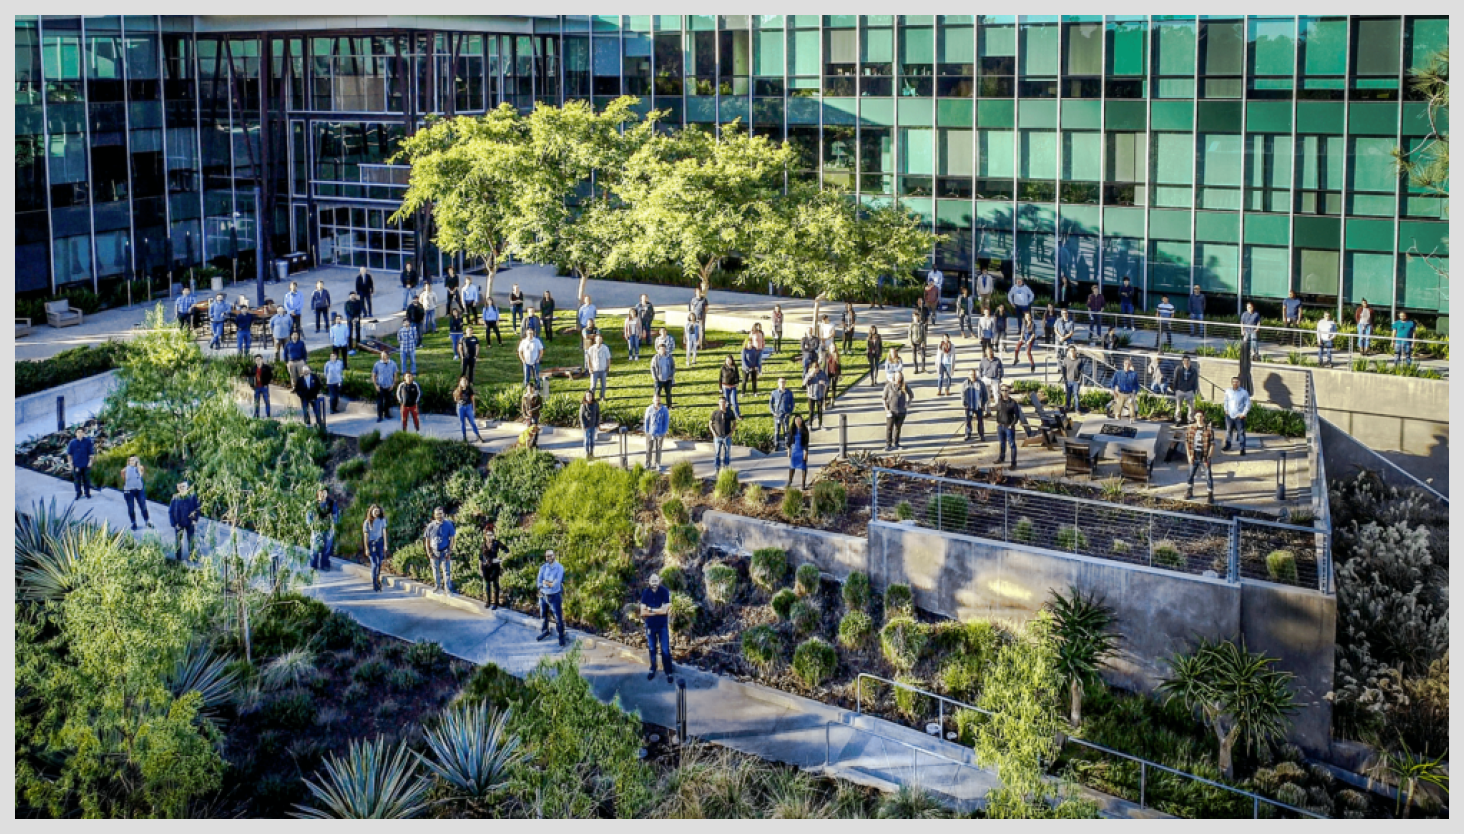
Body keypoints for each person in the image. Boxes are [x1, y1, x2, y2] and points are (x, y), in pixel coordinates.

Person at [640, 573, 675, 682]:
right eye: (652, 581)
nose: (654, 583)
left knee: (665, 649)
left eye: (656, 581)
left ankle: (668, 672)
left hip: (662, 626)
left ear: (659, 581)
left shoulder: (664, 591)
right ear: (649, 582)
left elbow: (665, 610)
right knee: (652, 648)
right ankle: (653, 668)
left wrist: (650, 609)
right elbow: (642, 612)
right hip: (650, 625)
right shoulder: (645, 593)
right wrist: (658, 611)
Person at [993, 385, 1032, 470]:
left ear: (1009, 391)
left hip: (1009, 427)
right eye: (1002, 390)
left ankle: (1013, 463)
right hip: (1000, 426)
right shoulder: (1000, 401)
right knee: (1002, 443)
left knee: (1012, 445)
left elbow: (1017, 416)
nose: (1004, 392)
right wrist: (997, 421)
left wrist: (1012, 424)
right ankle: (1001, 458)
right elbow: (998, 412)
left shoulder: (1013, 403)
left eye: (1006, 390)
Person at [536, 549, 567, 647]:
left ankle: (561, 635)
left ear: (554, 556)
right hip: (543, 595)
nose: (548, 558)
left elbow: (556, 583)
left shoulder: (559, 567)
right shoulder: (543, 567)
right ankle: (545, 631)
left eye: (550, 555)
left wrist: (547, 583)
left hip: (554, 596)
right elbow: (539, 580)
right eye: (547, 556)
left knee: (558, 617)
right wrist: (543, 585)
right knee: (543, 615)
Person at [423, 507, 456, 594]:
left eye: (441, 514)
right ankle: (437, 586)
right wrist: (428, 551)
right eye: (437, 514)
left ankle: (447, 588)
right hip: (434, 552)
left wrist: (449, 550)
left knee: (446, 571)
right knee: (435, 570)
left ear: (443, 514)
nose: (439, 516)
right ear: (434, 515)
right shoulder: (430, 526)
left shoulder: (448, 524)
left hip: (445, 551)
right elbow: (427, 540)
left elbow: (452, 538)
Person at [1184, 412, 1216, 503]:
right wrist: (1189, 456)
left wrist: (1209, 457)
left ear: (1204, 417)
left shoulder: (1209, 429)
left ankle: (1210, 494)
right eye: (1197, 416)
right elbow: (1187, 442)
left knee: (1208, 475)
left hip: (1204, 455)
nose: (1199, 418)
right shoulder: (1190, 428)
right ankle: (1189, 491)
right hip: (1194, 455)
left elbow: (1212, 444)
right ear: (1194, 417)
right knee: (1190, 474)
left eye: (1201, 416)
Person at [169, 481, 200, 562]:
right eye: (180, 487)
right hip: (179, 523)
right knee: (178, 542)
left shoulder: (192, 497)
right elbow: (170, 511)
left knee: (191, 540)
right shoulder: (175, 498)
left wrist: (195, 520)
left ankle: (192, 556)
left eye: (184, 486)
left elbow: (197, 508)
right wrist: (174, 524)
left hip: (190, 523)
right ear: (178, 488)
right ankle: (178, 558)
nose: (182, 488)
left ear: (187, 487)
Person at [307, 488, 338, 570]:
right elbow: (308, 516)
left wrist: (333, 524)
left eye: (324, 492)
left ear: (327, 493)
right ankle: (313, 565)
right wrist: (311, 525)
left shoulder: (331, 503)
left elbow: (335, 515)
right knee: (315, 547)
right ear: (318, 493)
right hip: (317, 529)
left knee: (327, 547)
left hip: (328, 529)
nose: (322, 494)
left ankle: (324, 564)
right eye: (320, 492)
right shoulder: (314, 504)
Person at [882, 372, 913, 451]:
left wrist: (908, 404)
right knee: (889, 428)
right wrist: (887, 410)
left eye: (900, 377)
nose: (899, 378)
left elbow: (911, 395)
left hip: (901, 411)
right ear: (894, 377)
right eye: (897, 376)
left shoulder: (904, 386)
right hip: (891, 411)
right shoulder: (889, 386)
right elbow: (884, 398)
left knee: (898, 428)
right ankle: (888, 444)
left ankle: (896, 443)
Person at [121, 456, 154, 530]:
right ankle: (133, 522)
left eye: (134, 460)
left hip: (139, 489)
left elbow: (141, 473)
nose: (132, 461)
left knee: (143, 505)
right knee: (131, 507)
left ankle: (147, 520)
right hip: (129, 491)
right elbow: (122, 474)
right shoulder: (125, 469)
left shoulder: (140, 468)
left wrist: (138, 464)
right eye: (130, 460)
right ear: (128, 461)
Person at [478, 520, 506, 608]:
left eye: (491, 535)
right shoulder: (483, 545)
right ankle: (488, 601)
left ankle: (495, 603)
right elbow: (480, 557)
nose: (489, 537)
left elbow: (507, 550)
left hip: (494, 566)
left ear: (493, 535)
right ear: (485, 536)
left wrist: (501, 559)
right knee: (487, 585)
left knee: (495, 584)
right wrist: (480, 569)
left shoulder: (496, 543)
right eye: (488, 535)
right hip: (485, 566)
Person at [1222, 376, 1251, 455]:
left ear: (1239, 383)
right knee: (1228, 431)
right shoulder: (1228, 391)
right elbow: (1226, 401)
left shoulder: (1244, 392)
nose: (1235, 383)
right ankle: (1228, 445)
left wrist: (1243, 414)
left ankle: (1242, 449)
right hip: (1229, 415)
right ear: (1231, 383)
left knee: (1241, 433)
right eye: (1234, 382)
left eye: (1237, 382)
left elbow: (1248, 404)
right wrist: (1226, 410)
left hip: (1239, 416)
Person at [363, 504, 388, 592]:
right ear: (371, 511)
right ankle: (375, 584)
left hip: (380, 543)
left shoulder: (382, 520)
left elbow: (384, 532)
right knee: (374, 564)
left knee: (379, 563)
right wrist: (366, 548)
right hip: (371, 544)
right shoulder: (367, 522)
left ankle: (377, 579)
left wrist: (385, 544)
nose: (376, 513)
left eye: (378, 511)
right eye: (375, 511)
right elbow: (365, 536)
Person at [66, 428, 95, 500]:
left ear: (83, 433)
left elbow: (91, 453)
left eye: (81, 432)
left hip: (86, 465)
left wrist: (90, 462)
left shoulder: (88, 441)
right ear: (76, 433)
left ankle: (87, 492)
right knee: (77, 480)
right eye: (78, 432)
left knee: (87, 480)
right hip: (76, 465)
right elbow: (69, 455)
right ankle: (78, 493)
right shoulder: (72, 443)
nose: (80, 433)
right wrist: (70, 464)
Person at [710, 396, 736, 472]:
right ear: (718, 403)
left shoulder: (730, 412)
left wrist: (731, 433)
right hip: (718, 437)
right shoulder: (715, 413)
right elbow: (710, 424)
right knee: (717, 453)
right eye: (721, 402)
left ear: (726, 403)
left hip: (727, 437)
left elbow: (734, 423)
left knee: (727, 453)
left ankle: (726, 467)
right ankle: (717, 468)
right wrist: (714, 433)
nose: (722, 404)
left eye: (724, 402)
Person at [961, 369, 989, 442]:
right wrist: (964, 403)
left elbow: (985, 395)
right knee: (968, 421)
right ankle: (968, 434)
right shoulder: (965, 383)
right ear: (968, 376)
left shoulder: (981, 383)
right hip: (969, 406)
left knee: (980, 421)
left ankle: (981, 435)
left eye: (974, 375)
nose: (972, 376)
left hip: (978, 406)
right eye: (971, 375)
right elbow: (962, 395)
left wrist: (983, 404)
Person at [1172, 354, 1200, 425]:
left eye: (1188, 361)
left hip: (1189, 390)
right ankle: (1177, 419)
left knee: (1191, 407)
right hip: (1180, 390)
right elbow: (1175, 379)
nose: (1186, 362)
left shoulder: (1193, 370)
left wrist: (1194, 390)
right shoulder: (1178, 369)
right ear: (1182, 362)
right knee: (1178, 406)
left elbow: (1195, 381)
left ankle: (1190, 420)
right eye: (1185, 361)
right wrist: (1175, 389)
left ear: (1190, 361)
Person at [454, 377, 484, 442]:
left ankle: (478, 435)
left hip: (468, 407)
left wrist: (474, 409)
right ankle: (464, 437)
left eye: (465, 381)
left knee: (472, 422)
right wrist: (458, 401)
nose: (464, 382)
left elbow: (473, 400)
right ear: (460, 383)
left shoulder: (469, 390)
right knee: (462, 423)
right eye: (463, 381)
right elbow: (455, 398)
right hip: (460, 407)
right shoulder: (458, 390)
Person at [1111, 357, 1141, 424]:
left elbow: (1136, 385)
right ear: (1123, 364)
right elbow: (1112, 382)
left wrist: (1135, 392)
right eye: (1126, 363)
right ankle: (1117, 419)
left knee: (1131, 406)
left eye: (1129, 364)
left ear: (1130, 365)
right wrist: (1114, 390)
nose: (1127, 365)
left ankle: (1132, 419)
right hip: (1120, 393)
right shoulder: (1118, 373)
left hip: (1129, 394)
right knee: (1118, 407)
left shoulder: (1134, 374)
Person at [643, 394, 669, 469]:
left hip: (660, 432)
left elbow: (666, 421)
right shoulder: (649, 409)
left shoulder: (664, 409)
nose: (657, 401)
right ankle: (648, 463)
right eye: (655, 400)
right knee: (649, 448)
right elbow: (647, 420)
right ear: (653, 400)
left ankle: (657, 463)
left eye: (658, 400)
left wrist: (664, 431)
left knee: (659, 448)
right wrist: (647, 431)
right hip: (650, 432)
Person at [769, 377, 795, 451]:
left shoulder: (789, 393)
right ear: (778, 383)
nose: (782, 383)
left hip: (785, 414)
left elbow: (792, 404)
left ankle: (787, 444)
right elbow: (771, 403)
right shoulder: (774, 393)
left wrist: (789, 412)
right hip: (777, 414)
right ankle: (776, 444)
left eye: (783, 382)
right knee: (777, 430)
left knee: (786, 430)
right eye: (780, 382)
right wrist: (773, 412)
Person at [371, 350, 397, 422]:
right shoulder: (377, 364)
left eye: (385, 356)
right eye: (382, 356)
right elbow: (373, 375)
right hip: (380, 386)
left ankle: (387, 414)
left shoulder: (393, 364)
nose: (383, 357)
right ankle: (379, 416)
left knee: (388, 402)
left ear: (388, 356)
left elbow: (395, 375)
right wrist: (376, 385)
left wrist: (393, 384)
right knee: (380, 402)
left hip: (389, 386)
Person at [787, 414, 811, 489]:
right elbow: (789, 441)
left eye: (799, 419)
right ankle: (790, 481)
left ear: (802, 420)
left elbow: (806, 442)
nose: (798, 421)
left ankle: (803, 484)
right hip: (794, 450)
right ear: (794, 421)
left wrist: (806, 452)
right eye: (796, 420)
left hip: (801, 450)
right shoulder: (792, 430)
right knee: (792, 466)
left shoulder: (805, 430)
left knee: (803, 467)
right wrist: (789, 451)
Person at [978, 346, 1004, 416]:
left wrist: (1000, 378)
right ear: (986, 353)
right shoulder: (983, 361)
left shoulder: (997, 360)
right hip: (986, 379)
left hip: (995, 379)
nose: (990, 353)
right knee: (986, 396)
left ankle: (999, 411)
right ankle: (988, 411)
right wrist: (981, 378)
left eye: (991, 352)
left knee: (997, 395)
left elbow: (1001, 369)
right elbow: (980, 370)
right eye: (988, 352)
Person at [804, 360, 829, 429]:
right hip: (811, 395)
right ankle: (810, 425)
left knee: (820, 411)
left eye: (817, 367)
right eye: (815, 368)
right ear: (812, 368)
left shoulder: (822, 374)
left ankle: (820, 424)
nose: (816, 369)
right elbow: (803, 383)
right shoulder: (809, 374)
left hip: (819, 395)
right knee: (811, 411)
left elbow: (828, 382)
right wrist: (809, 376)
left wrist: (824, 382)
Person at [1059, 346, 1084, 414]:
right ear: (1068, 352)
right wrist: (1065, 380)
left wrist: (1080, 380)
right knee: (1068, 395)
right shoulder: (1065, 360)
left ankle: (1077, 409)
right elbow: (1063, 371)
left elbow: (1082, 371)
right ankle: (1067, 407)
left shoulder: (1079, 360)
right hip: (1068, 380)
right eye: (1071, 351)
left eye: (1073, 350)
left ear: (1075, 351)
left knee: (1076, 395)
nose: (1072, 352)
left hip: (1076, 381)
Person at [651, 342, 676, 408]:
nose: (662, 350)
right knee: (657, 393)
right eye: (661, 349)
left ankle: (669, 406)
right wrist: (655, 377)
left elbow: (673, 366)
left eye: (663, 349)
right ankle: (656, 405)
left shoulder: (669, 357)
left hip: (668, 379)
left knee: (668, 393)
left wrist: (671, 375)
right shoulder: (655, 358)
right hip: (659, 379)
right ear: (658, 350)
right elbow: (652, 367)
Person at [521, 383, 543, 449]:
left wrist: (532, 411)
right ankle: (528, 444)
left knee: (535, 429)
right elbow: (523, 407)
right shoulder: (524, 397)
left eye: (530, 387)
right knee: (528, 430)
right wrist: (524, 415)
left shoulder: (536, 396)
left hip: (534, 415)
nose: (529, 389)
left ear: (533, 388)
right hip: (528, 416)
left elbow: (539, 406)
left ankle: (534, 443)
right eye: (528, 388)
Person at [579, 391, 600, 458]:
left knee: (592, 440)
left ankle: (592, 452)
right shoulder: (583, 405)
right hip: (586, 426)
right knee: (586, 440)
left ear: (592, 396)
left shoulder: (595, 404)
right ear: (585, 397)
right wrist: (584, 425)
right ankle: (587, 453)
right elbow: (581, 416)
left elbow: (598, 415)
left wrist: (597, 424)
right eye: (587, 396)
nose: (589, 397)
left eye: (590, 396)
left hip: (593, 425)